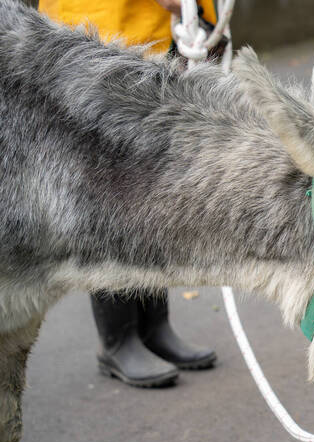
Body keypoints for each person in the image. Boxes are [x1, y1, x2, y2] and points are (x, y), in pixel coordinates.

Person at [39, 0, 219, 387]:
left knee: (150, 190)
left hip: (153, 35)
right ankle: (118, 340)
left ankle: (154, 326)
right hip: (91, 33)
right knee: (105, 194)